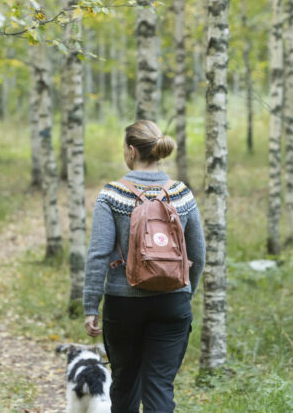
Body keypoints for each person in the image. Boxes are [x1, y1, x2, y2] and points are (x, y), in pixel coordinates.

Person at [83, 120, 206, 413]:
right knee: (160, 386)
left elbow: (98, 254)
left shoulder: (112, 195)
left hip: (123, 305)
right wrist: (186, 292)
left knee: (124, 385)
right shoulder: (181, 194)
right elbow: (198, 254)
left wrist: (91, 306)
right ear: (158, 150)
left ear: (130, 150)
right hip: (172, 302)